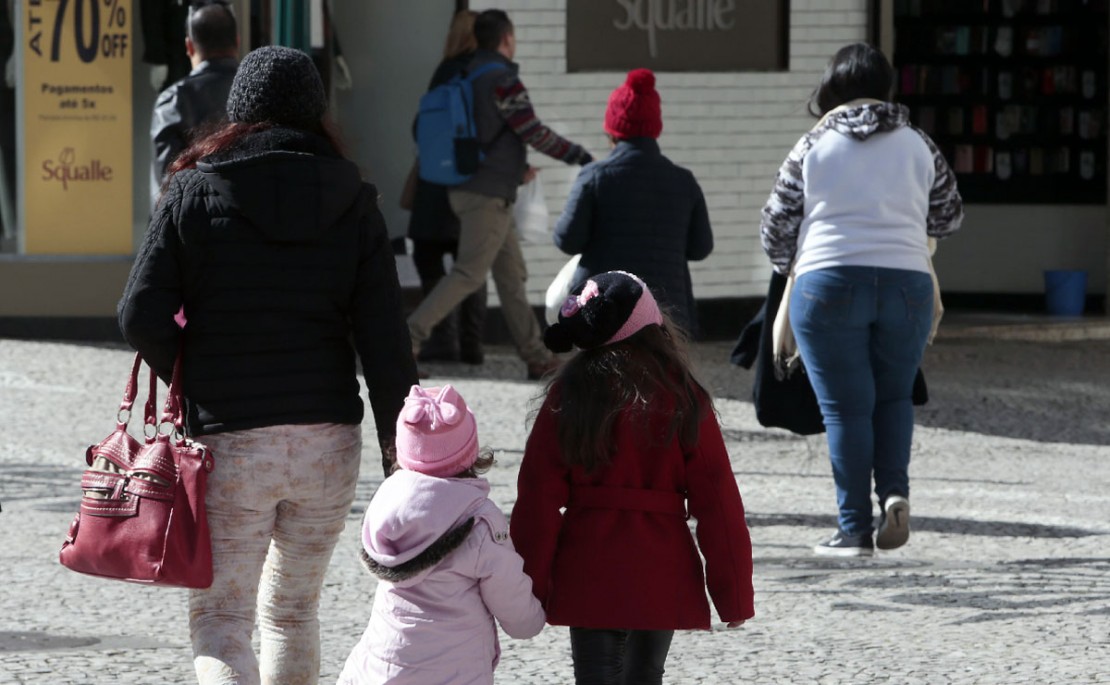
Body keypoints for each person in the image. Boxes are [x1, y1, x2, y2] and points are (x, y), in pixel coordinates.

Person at [117, 45, 419, 684]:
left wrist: (193, 373)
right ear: (316, 111)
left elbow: (139, 313)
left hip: (229, 441)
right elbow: (386, 344)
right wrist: (404, 461)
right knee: (293, 611)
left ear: (239, 109)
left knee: (222, 618)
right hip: (327, 442)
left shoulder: (192, 190)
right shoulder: (354, 198)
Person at [760, 42, 963, 557]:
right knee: (894, 397)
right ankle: (894, 494)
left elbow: (776, 226)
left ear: (833, 87)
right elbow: (948, 216)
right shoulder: (919, 143)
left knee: (846, 411)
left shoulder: (813, 142)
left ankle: (852, 530)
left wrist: (792, 264)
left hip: (828, 283)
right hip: (907, 284)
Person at [510, 271, 754, 685]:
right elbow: (718, 502)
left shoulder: (568, 395)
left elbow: (537, 501)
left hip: (588, 561)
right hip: (660, 563)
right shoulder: (683, 395)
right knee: (646, 676)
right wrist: (734, 596)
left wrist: (526, 589)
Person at [406, 8, 594, 381]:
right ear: (507, 38)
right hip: (486, 194)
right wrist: (579, 155)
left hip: (478, 189)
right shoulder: (502, 80)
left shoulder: (466, 74)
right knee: (469, 272)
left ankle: (536, 356)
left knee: (511, 276)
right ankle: (406, 339)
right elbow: (532, 130)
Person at [337, 384, 546, 684]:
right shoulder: (478, 522)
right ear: (470, 455)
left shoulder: (386, 506)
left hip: (381, 670)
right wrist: (534, 619)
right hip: (454, 673)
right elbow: (512, 601)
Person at [553, 68, 713, 336]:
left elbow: (567, 240)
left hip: (602, 309)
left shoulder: (594, 177)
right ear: (654, 129)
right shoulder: (683, 181)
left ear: (612, 131)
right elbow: (701, 248)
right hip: (666, 314)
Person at [408, 10, 488, 366]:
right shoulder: (487, 72)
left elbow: (419, 128)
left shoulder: (445, 71)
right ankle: (472, 343)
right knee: (471, 262)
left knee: (428, 254)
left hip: (436, 180)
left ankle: (443, 339)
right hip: (474, 179)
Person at [150, 0, 239, 206]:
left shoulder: (174, 101)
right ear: (237, 40)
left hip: (193, 220)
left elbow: (165, 188)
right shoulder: (258, 91)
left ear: (189, 46)